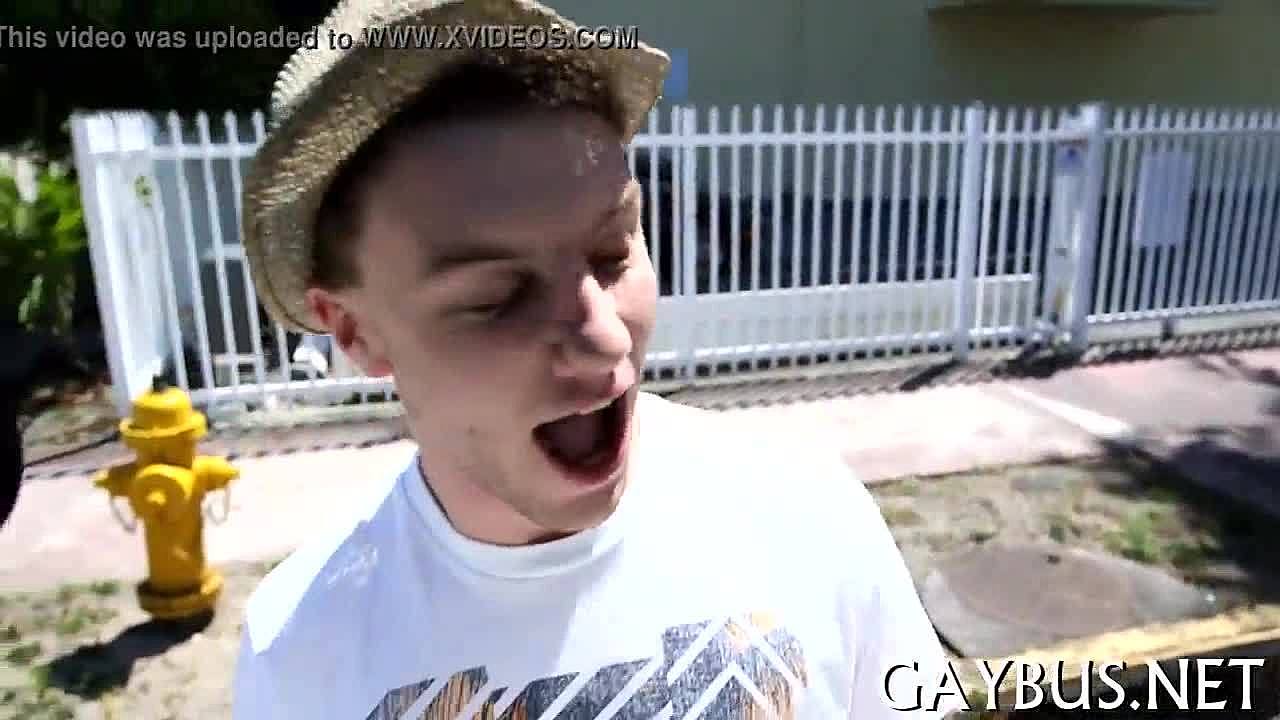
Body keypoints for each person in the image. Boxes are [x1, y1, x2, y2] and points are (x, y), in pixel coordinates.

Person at [232, 0, 960, 717]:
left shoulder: (810, 515)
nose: (607, 338)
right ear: (354, 331)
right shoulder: (300, 651)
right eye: (497, 295)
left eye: (613, 251)